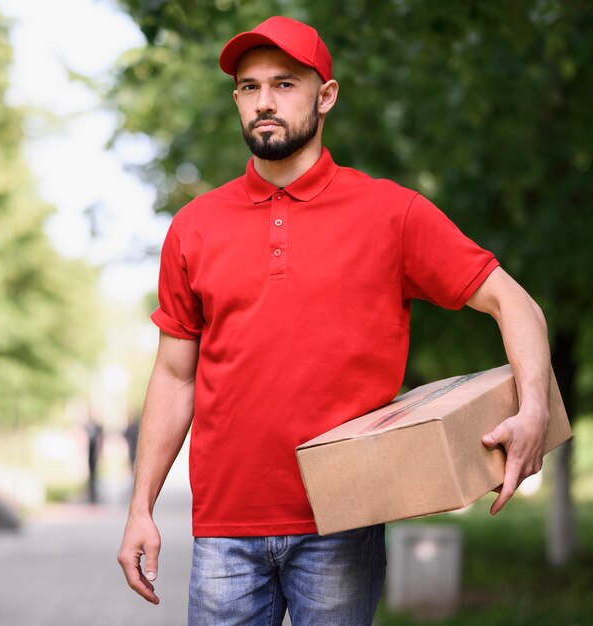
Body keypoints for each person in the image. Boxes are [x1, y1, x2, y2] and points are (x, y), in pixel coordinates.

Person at [118, 16, 551, 625]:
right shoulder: (195, 225)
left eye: (284, 83)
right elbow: (173, 375)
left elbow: (515, 303)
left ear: (326, 95)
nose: (263, 102)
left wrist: (532, 410)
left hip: (342, 518)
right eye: (248, 87)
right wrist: (142, 507)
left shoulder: (391, 213)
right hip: (224, 528)